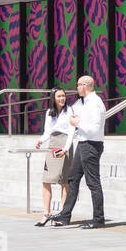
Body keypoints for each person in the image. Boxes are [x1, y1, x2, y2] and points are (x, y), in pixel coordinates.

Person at [47, 75, 108, 229]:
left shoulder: (95, 103)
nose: (77, 88)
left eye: (78, 85)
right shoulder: (84, 103)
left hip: (91, 145)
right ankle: (65, 216)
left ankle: (99, 219)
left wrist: (78, 122)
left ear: (86, 85)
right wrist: (66, 147)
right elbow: (74, 123)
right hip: (83, 144)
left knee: (93, 182)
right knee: (73, 179)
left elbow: (94, 129)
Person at [33, 87, 73, 226]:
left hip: (64, 143)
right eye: (59, 96)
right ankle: (46, 214)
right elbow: (48, 131)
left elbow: (72, 131)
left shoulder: (70, 110)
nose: (62, 98)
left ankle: (62, 215)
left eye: (63, 95)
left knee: (64, 181)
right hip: (53, 143)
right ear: (53, 98)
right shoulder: (49, 113)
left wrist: (66, 148)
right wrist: (40, 140)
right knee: (46, 180)